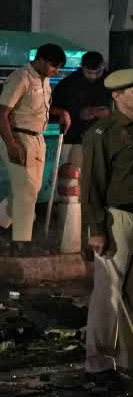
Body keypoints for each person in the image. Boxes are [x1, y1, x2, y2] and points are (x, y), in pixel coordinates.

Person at [80, 68, 133, 383]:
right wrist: (96, 228)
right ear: (117, 96)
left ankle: (131, 358)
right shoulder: (103, 133)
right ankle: (98, 362)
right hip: (117, 219)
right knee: (108, 294)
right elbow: (91, 185)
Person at [0, 43, 71, 250]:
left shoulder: (44, 79)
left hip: (37, 139)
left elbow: (38, 108)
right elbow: (2, 112)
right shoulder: (21, 77)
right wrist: (12, 145)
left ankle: (2, 224)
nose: (55, 70)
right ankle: (21, 242)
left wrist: (61, 112)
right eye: (53, 66)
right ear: (40, 59)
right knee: (26, 193)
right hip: (19, 138)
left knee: (29, 190)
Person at [51, 51, 109, 170]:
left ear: (103, 67)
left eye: (98, 72)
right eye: (89, 73)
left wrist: (109, 112)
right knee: (74, 177)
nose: (93, 76)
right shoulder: (68, 84)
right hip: (74, 138)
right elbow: (52, 109)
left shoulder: (112, 82)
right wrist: (77, 113)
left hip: (105, 138)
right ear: (82, 67)